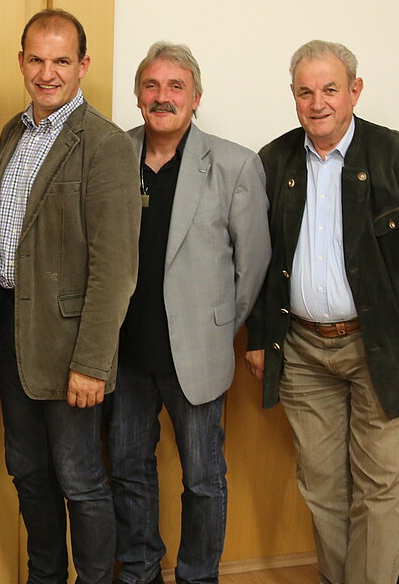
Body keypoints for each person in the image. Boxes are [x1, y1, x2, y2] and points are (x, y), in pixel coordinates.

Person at [244, 40, 399, 584]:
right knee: (322, 488)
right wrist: (260, 338)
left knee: (381, 488)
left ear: (355, 91)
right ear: (293, 96)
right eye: (305, 92)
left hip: (381, 347)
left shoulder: (398, 156)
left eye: (330, 90)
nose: (317, 103)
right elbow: (261, 262)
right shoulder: (274, 160)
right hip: (302, 351)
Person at [0, 9, 141, 584]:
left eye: (61, 60)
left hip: (72, 346)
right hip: (12, 336)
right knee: (28, 473)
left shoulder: (104, 145)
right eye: (36, 59)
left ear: (83, 65)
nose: (47, 72)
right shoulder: (13, 133)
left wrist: (93, 362)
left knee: (80, 480)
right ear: (21, 61)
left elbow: (115, 269)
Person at [110, 41, 269, 584]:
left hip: (196, 355)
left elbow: (252, 267)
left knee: (203, 479)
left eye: (175, 87)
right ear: (137, 95)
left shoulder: (235, 164)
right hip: (124, 354)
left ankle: (198, 576)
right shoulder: (114, 154)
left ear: (196, 97)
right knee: (128, 471)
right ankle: (139, 571)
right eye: (151, 86)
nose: (163, 97)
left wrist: (216, 327)